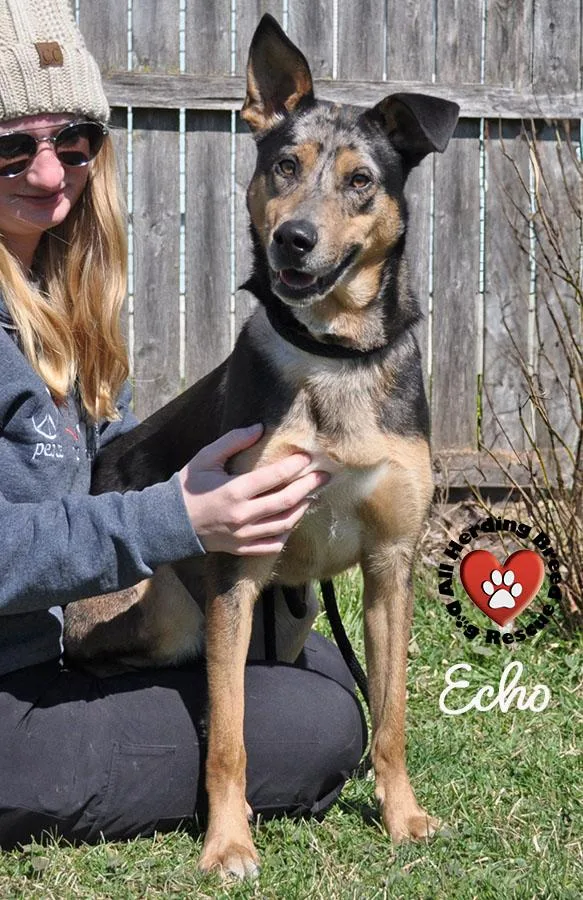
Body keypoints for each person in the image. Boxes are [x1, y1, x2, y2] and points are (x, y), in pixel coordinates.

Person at [0, 0, 366, 851]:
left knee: (302, 659)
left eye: (73, 142)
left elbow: (107, 472)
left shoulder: (66, 297)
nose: (51, 175)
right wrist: (178, 515)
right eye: (11, 145)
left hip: (59, 653)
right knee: (317, 729)